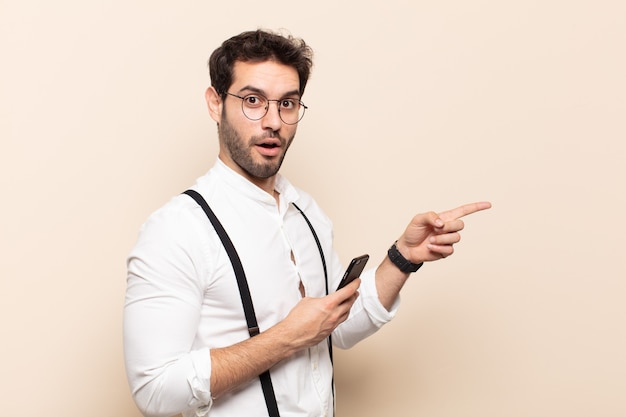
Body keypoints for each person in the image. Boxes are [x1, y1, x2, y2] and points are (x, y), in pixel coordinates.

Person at [123, 29, 491, 417]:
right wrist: (286, 338)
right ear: (216, 104)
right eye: (253, 101)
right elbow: (154, 389)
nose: (273, 121)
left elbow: (340, 326)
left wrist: (402, 258)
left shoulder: (306, 211)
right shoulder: (178, 229)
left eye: (287, 103)